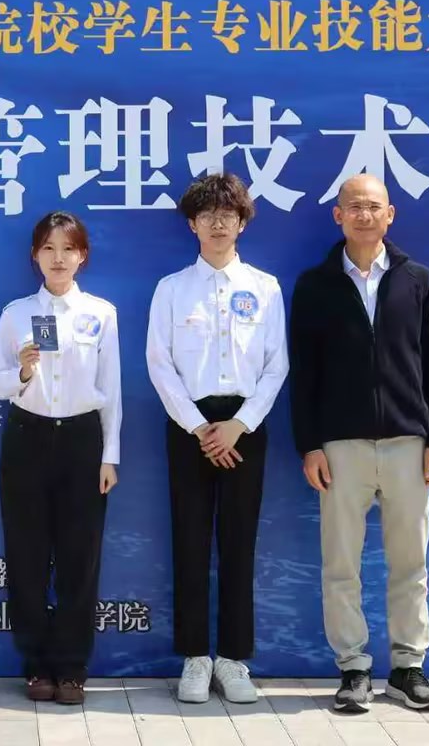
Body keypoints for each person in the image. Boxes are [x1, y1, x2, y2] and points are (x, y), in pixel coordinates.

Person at [289, 173, 429, 714]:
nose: (364, 215)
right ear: (338, 215)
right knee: (341, 565)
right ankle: (353, 668)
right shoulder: (315, 285)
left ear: (390, 214)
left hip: (409, 443)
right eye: (354, 206)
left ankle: (408, 669)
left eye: (373, 206)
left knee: (410, 563)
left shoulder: (418, 280)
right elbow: (304, 373)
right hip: (341, 447)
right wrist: (310, 445)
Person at [146, 173, 286, 706]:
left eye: (228, 214)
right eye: (207, 215)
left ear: (242, 222)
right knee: (189, 540)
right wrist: (198, 426)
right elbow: (159, 364)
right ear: (192, 224)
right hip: (189, 426)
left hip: (245, 426)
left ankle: (232, 659)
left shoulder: (265, 287)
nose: (218, 223)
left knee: (238, 542)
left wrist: (238, 425)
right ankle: (194, 658)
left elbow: (276, 366)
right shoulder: (172, 289)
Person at [0, 210, 121, 706]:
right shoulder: (16, 313)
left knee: (78, 560)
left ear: (82, 255)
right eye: (49, 248)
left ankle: (71, 667)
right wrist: (23, 372)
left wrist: (110, 455)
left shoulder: (101, 313)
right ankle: (36, 665)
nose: (58, 258)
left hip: (83, 440)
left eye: (68, 249)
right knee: (26, 556)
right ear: (35, 256)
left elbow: (111, 391)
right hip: (28, 436)